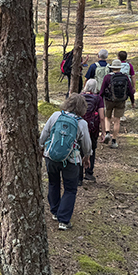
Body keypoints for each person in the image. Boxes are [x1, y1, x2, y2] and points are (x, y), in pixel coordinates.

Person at [40, 94, 92, 230]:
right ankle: (63, 220)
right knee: (70, 189)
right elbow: (87, 145)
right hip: (71, 161)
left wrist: (41, 148)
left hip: (51, 157)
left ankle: (55, 211)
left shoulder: (55, 115)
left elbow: (44, 134)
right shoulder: (82, 123)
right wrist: (87, 157)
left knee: (53, 183)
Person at [99, 59, 135, 149]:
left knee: (107, 117)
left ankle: (107, 133)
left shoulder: (107, 77)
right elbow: (130, 90)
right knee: (117, 120)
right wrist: (132, 101)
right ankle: (114, 140)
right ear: (120, 68)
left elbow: (102, 90)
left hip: (109, 100)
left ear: (112, 68)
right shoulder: (125, 77)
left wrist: (99, 100)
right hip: (121, 101)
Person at [80, 79, 105, 183]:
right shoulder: (98, 98)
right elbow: (102, 117)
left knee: (79, 149)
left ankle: (78, 176)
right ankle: (89, 173)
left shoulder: (80, 97)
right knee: (92, 149)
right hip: (92, 128)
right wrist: (103, 132)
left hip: (80, 126)